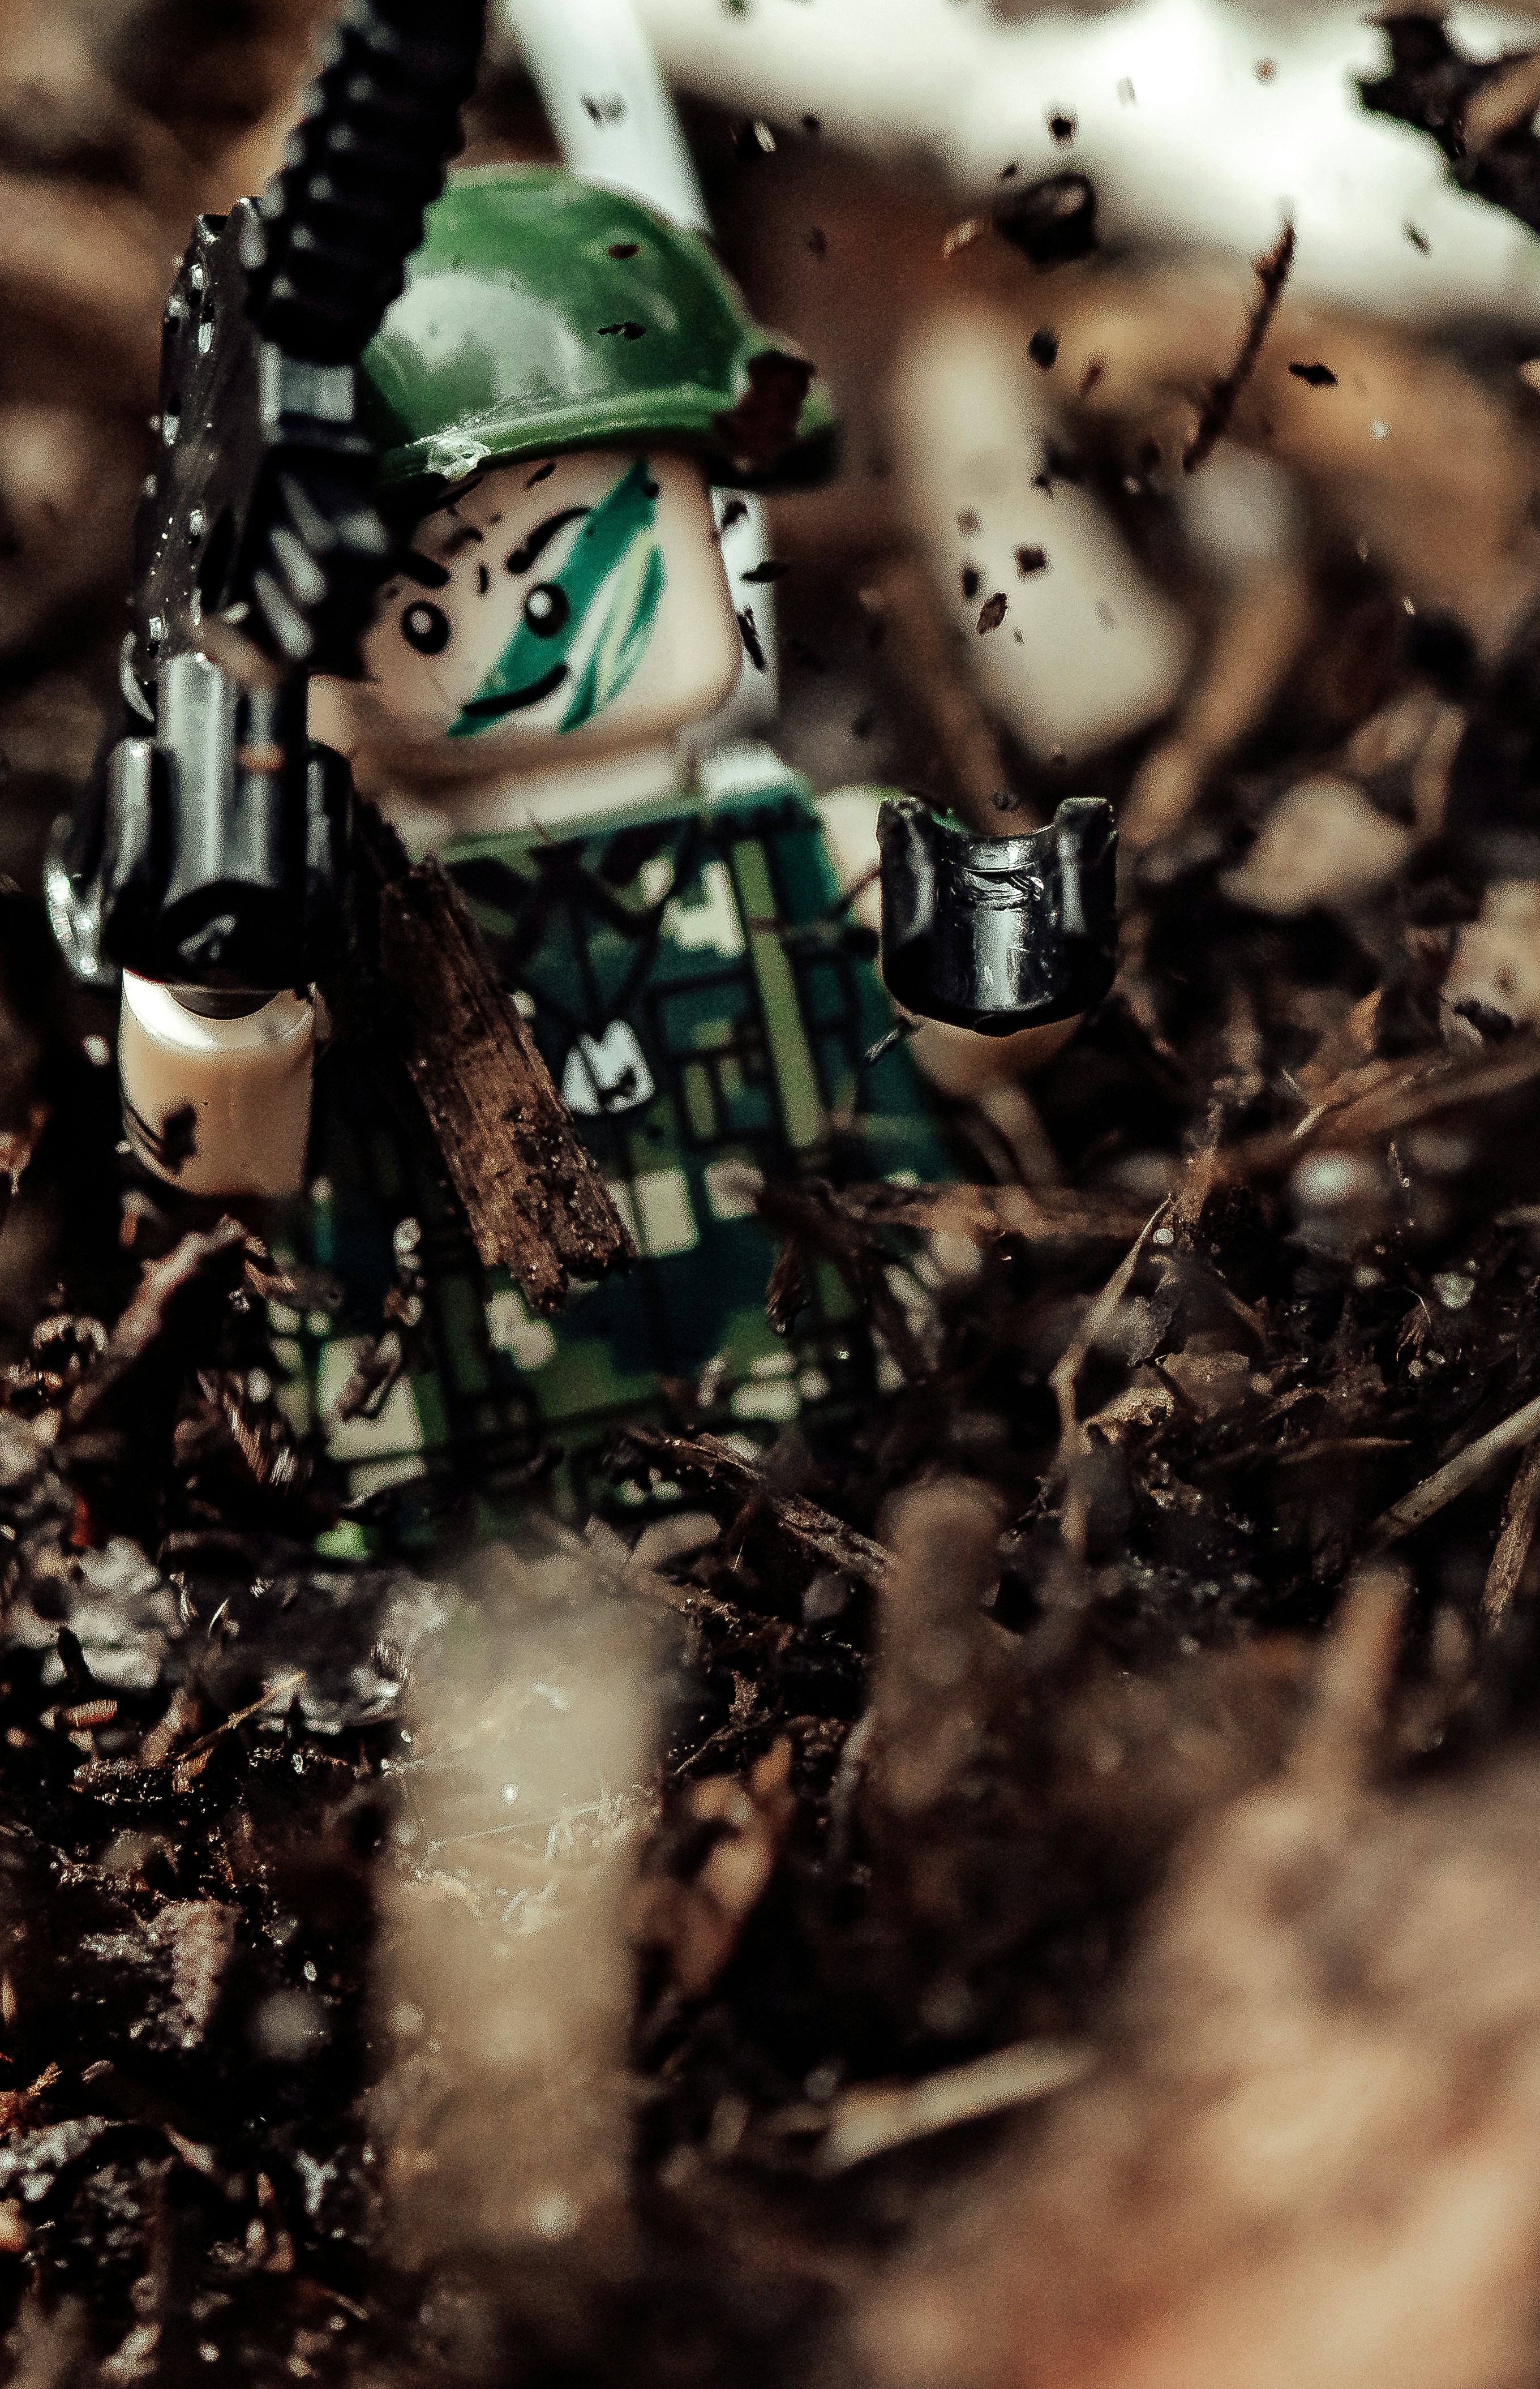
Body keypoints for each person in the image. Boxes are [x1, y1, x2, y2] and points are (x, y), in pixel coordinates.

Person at [115, 161, 966, 1545]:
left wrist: (999, 979)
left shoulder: (792, 845)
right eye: (423, 618)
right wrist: (212, 999)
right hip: (467, 1445)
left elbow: (950, 1044)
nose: (513, 646)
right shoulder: (333, 910)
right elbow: (218, 1159)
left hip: (828, 1379)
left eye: (560, 578)